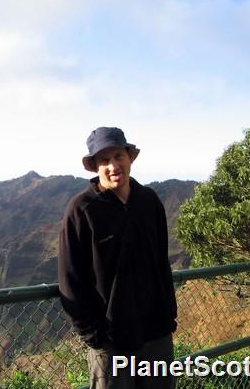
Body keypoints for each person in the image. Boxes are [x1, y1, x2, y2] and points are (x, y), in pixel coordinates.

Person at [58, 127, 177, 388]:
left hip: (157, 334)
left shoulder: (149, 201)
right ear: (94, 167)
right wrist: (94, 334)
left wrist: (169, 314)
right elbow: (70, 278)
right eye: (104, 160)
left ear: (129, 158)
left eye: (119, 156)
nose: (113, 165)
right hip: (112, 342)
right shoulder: (81, 209)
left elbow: (161, 262)